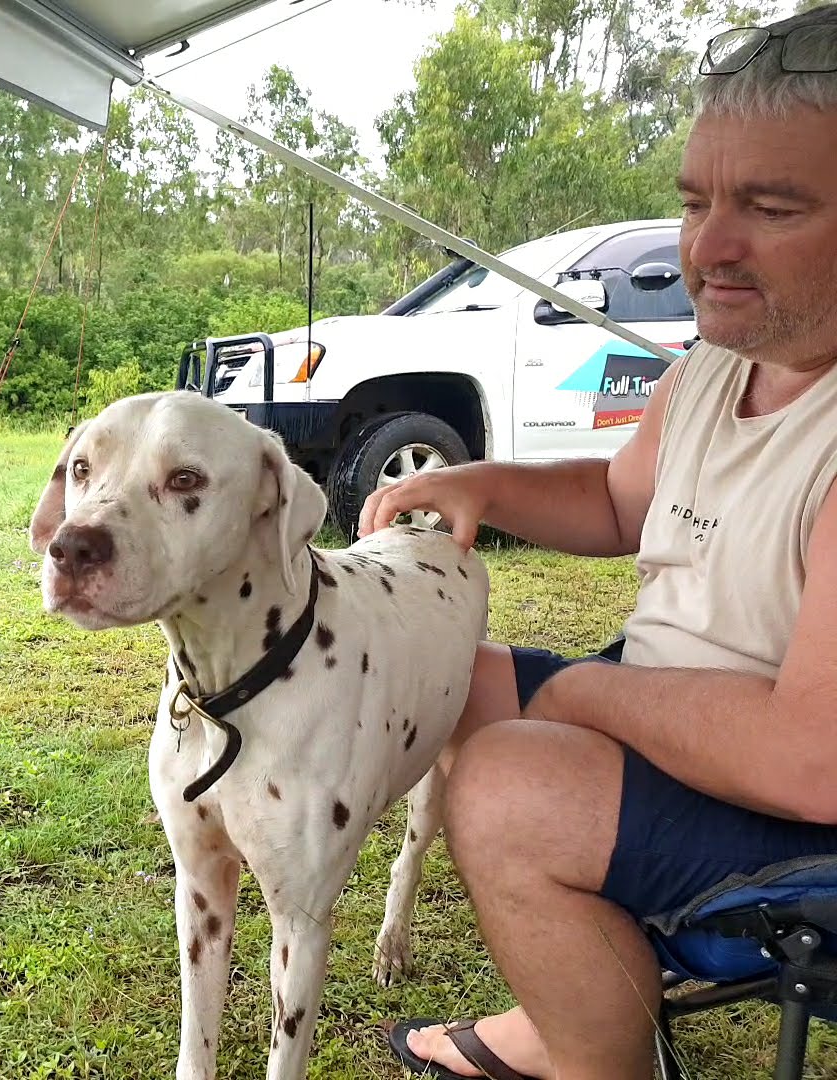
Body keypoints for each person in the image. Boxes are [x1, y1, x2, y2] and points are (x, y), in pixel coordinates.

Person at [358, 6, 837, 1078]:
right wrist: (481, 482)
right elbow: (619, 502)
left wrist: (582, 697)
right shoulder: (716, 365)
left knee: (510, 786)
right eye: (696, 199)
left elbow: (815, 762)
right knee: (431, 679)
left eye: (770, 206)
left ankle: (588, 1052)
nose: (706, 246)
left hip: (807, 825)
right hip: (688, 730)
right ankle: (579, 1009)